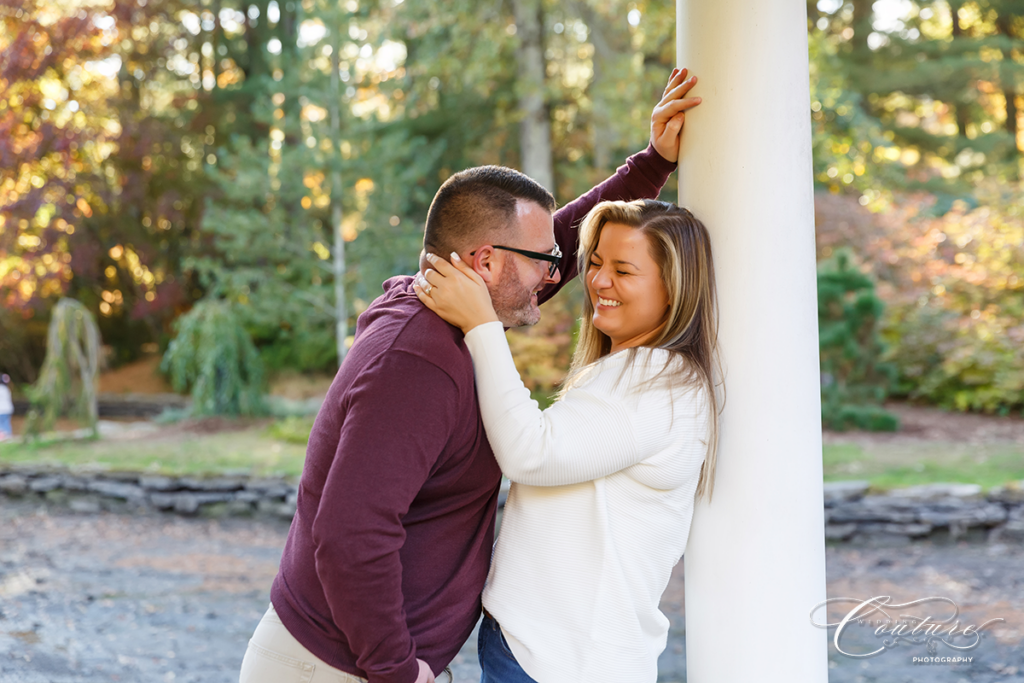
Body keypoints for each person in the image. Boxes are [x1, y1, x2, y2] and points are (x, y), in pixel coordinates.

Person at [240, 69, 702, 683]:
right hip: (332, 669)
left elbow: (542, 246)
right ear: (484, 262)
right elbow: (352, 536)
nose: (560, 275)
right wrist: (397, 671)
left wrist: (651, 164)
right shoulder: (419, 361)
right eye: (547, 264)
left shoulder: (450, 313)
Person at [414, 198, 721, 683]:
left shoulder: (654, 379)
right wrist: (650, 162)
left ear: (674, 288)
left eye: (624, 270)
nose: (598, 282)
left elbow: (530, 453)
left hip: (561, 662)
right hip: (550, 652)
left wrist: (481, 325)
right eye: (595, 263)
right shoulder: (637, 374)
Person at [0, 374, 12, 441]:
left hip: (1, 410)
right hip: (8, 409)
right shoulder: (6, 389)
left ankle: (2, 437)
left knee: (1, 424)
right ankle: (8, 436)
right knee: (6, 423)